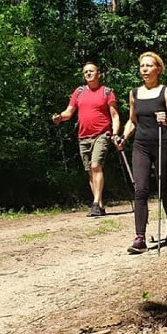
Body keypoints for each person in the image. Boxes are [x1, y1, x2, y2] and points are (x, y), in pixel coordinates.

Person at [115, 52, 167, 254]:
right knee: (140, 189)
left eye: (149, 66)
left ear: (158, 69)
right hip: (141, 145)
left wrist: (166, 120)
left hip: (162, 142)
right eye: (142, 66)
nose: (144, 69)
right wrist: (123, 137)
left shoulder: (166, 91)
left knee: (163, 189)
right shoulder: (134, 93)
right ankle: (140, 238)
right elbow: (132, 120)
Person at [52, 62, 122, 217]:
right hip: (83, 136)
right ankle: (100, 205)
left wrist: (115, 133)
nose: (88, 74)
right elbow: (69, 112)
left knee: (96, 165)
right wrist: (59, 118)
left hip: (102, 134)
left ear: (99, 73)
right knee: (90, 171)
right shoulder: (79, 92)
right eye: (85, 72)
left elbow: (115, 115)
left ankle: (95, 203)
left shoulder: (107, 92)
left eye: (91, 71)